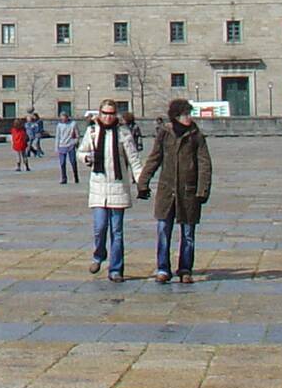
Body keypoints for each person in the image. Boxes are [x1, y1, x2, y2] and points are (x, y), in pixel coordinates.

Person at [137, 97, 212, 284]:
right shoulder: (165, 134)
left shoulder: (196, 135)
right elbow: (154, 159)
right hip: (167, 191)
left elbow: (204, 164)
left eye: (189, 113)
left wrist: (203, 190)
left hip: (188, 192)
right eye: (185, 114)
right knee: (163, 230)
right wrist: (143, 182)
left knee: (188, 233)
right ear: (176, 116)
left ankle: (185, 269)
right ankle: (163, 268)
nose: (189, 117)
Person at [78, 99, 143, 282]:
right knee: (99, 227)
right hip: (98, 187)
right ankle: (99, 254)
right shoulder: (92, 132)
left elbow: (134, 159)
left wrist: (141, 182)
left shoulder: (123, 133)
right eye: (105, 113)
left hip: (118, 187)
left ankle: (116, 269)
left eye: (111, 113)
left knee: (117, 231)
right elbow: (81, 152)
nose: (108, 117)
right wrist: (87, 158)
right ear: (100, 114)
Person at [55, 111, 80, 184]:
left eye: (64, 118)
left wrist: (76, 141)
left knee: (73, 161)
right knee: (62, 163)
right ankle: (64, 178)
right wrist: (56, 147)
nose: (63, 120)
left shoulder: (73, 124)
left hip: (71, 144)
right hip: (62, 145)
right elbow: (57, 136)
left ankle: (76, 176)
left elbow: (77, 134)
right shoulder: (59, 125)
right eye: (62, 118)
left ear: (67, 117)